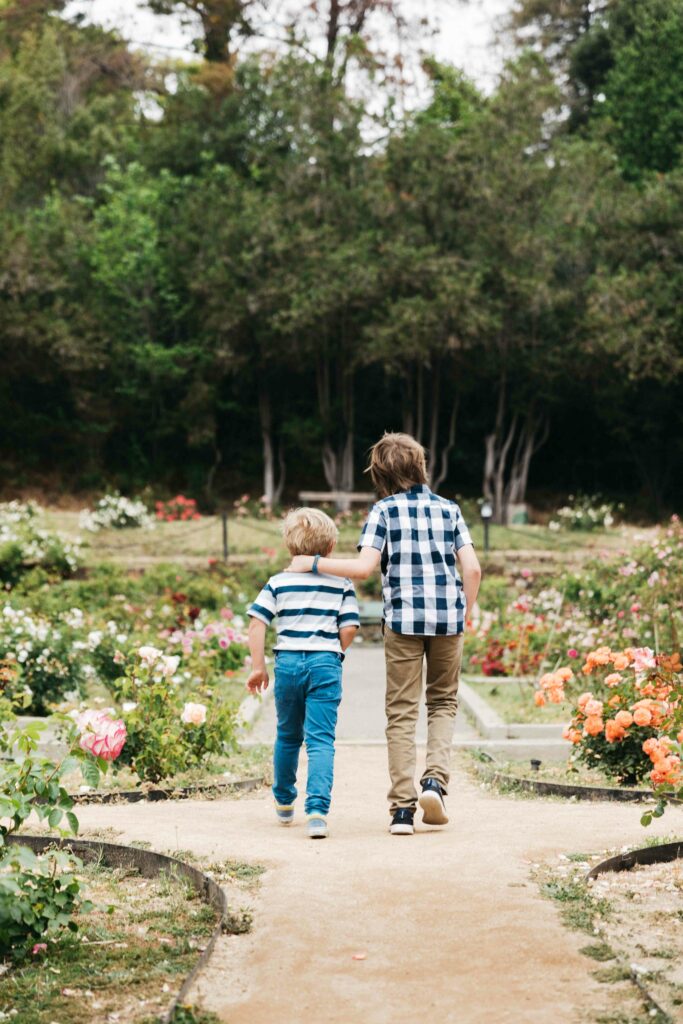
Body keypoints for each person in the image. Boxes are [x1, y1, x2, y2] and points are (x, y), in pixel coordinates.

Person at [287, 432, 481, 835]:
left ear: (381, 474)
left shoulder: (384, 512)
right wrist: (468, 610)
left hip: (404, 622)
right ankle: (435, 783)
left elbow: (363, 569)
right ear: (421, 465)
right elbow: (473, 569)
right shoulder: (450, 510)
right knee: (443, 703)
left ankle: (402, 812)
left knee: (402, 712)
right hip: (448, 619)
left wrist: (314, 563)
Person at [246, 507, 360, 839]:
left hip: (288, 664)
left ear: (289, 546)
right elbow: (350, 627)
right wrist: (334, 650)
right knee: (321, 740)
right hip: (325, 662)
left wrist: (258, 667)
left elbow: (257, 623)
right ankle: (317, 812)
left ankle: (284, 802)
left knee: (288, 735)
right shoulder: (341, 582)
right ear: (329, 549)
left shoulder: (278, 582)